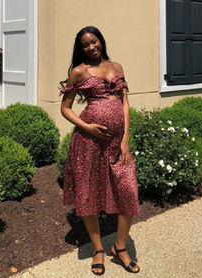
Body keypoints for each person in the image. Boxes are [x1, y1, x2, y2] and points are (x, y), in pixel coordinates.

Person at [60, 26, 140, 275]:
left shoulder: (117, 66)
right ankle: (97, 250)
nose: (91, 47)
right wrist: (87, 127)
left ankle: (119, 246)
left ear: (101, 41)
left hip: (117, 142)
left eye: (94, 41)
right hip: (88, 142)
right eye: (85, 45)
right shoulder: (78, 72)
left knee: (128, 190)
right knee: (88, 194)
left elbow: (125, 102)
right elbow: (65, 108)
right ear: (80, 48)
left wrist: (125, 138)